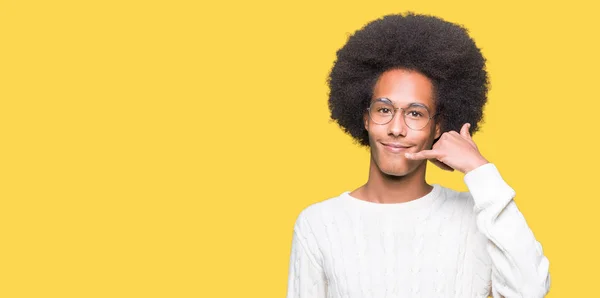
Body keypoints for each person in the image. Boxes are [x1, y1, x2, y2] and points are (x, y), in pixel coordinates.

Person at [286, 12, 551, 298]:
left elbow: (530, 290)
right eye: (384, 110)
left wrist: (480, 169)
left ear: (438, 126)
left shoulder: (479, 219)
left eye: (415, 113)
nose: (396, 128)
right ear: (365, 118)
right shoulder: (319, 224)